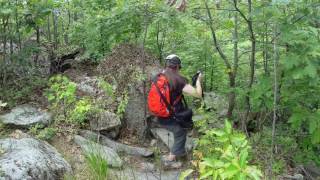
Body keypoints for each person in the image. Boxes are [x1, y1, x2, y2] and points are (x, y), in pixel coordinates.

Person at [158, 54, 202, 166]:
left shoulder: (159, 77)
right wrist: (198, 80)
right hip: (172, 116)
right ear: (177, 66)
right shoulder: (179, 80)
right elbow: (198, 94)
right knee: (181, 133)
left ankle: (180, 153)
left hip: (160, 114)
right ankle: (170, 159)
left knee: (178, 131)